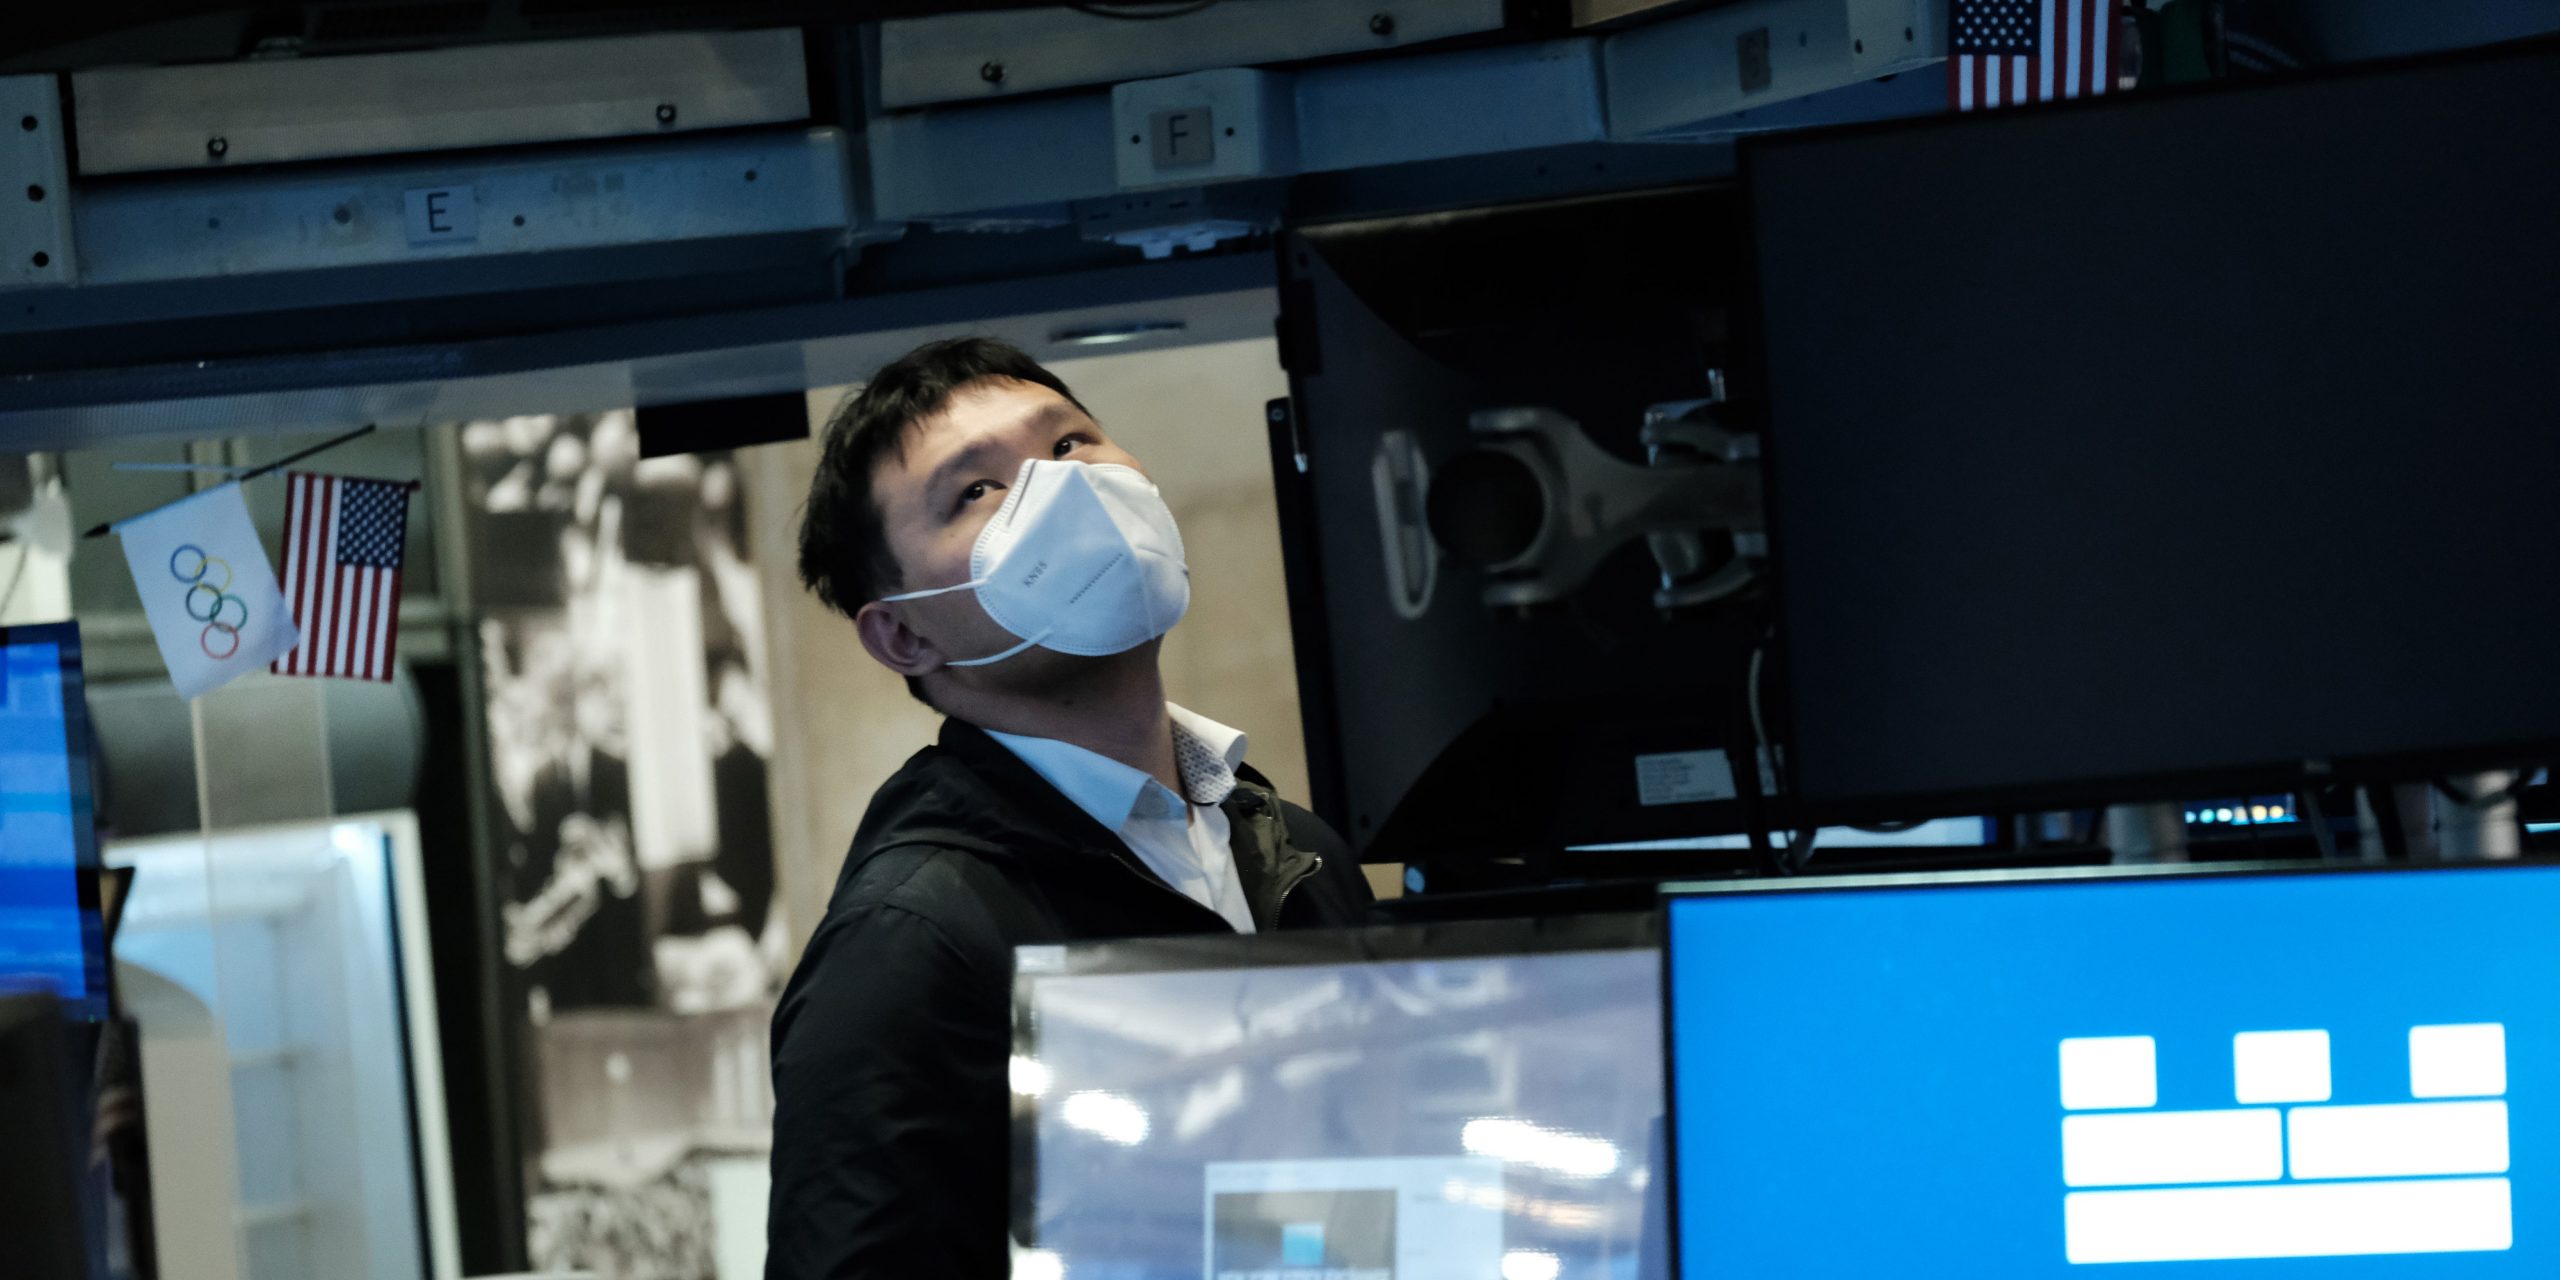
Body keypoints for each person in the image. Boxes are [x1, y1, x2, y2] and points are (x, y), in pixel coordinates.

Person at [766, 338, 1373, 1278]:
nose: (1065, 490)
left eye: (1071, 443)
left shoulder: (1294, 851)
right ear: (903, 633)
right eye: (974, 491)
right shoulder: (913, 942)